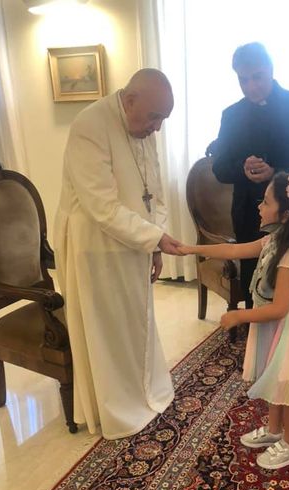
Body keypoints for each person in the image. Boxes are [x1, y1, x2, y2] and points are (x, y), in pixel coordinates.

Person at [54, 69, 182, 440]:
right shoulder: (90, 125)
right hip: (95, 247)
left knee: (136, 320)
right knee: (108, 330)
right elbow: (100, 206)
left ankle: (143, 391)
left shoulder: (143, 126)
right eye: (154, 117)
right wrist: (154, 237)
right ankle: (116, 407)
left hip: (134, 241)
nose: (157, 128)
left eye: (163, 119)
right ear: (129, 101)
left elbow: (154, 191)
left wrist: (154, 242)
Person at [180, 171, 289, 469]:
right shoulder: (274, 240)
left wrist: (239, 315)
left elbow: (280, 308)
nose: (259, 206)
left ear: (285, 215)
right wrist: (191, 249)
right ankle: (274, 430)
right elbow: (233, 249)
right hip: (273, 326)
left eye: (265, 202)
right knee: (274, 380)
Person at [210, 42, 289, 308]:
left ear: (271, 69)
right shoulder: (231, 115)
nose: (251, 86)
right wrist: (242, 168)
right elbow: (219, 168)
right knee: (252, 279)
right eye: (243, 80)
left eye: (257, 77)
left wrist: (276, 172)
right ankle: (253, 331)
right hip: (248, 213)